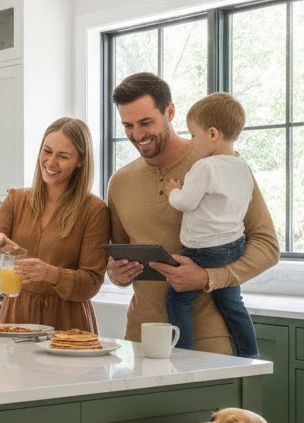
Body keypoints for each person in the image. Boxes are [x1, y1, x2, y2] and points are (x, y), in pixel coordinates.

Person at [106, 73, 278, 355]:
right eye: (128, 125)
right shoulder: (120, 182)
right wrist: (117, 273)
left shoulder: (220, 164)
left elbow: (267, 246)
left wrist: (209, 277)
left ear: (169, 112)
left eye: (146, 122)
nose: (137, 135)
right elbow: (119, 255)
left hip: (210, 340)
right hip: (140, 338)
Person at [0, 117, 109, 332]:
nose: (51, 162)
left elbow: (91, 283)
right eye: (47, 151)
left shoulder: (94, 210)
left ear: (80, 161)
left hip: (67, 322)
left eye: (63, 156)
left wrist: (51, 274)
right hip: (16, 316)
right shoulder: (17, 200)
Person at [163, 94, 258, 357]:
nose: (191, 141)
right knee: (233, 303)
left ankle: (182, 353)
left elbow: (186, 203)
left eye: (193, 135)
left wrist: (173, 190)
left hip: (202, 248)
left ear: (213, 133)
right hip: (233, 245)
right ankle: (249, 353)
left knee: (178, 299)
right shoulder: (243, 166)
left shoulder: (204, 167)